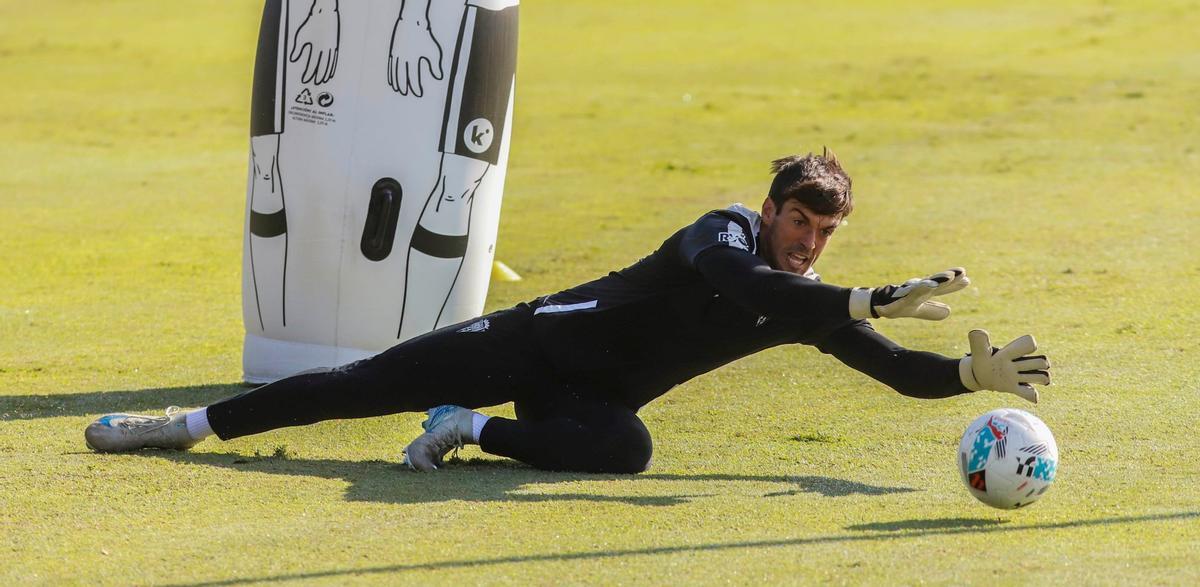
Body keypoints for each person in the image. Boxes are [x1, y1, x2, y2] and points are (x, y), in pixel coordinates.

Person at [84, 150, 1051, 474]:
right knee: (359, 386)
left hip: (579, 400)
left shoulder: (807, 298)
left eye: (823, 231)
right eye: (797, 220)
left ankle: (469, 430)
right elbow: (751, 288)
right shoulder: (721, 232)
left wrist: (971, 376)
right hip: (531, 342)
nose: (806, 240)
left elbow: (891, 367)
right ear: (770, 210)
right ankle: (185, 426)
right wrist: (867, 294)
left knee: (627, 449)